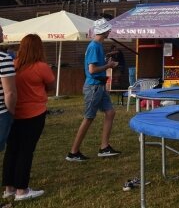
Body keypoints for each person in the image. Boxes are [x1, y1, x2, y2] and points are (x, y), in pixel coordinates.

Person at [2, 34, 55, 201]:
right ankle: (21, 190)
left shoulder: (13, 64)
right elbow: (51, 86)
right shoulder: (41, 66)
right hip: (34, 113)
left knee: (11, 150)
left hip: (13, 112)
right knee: (26, 151)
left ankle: (9, 187)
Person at [66, 18, 120, 162]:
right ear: (104, 31)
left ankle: (104, 147)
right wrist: (109, 66)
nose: (110, 31)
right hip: (94, 86)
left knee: (110, 112)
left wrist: (107, 61)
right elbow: (92, 69)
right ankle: (73, 152)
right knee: (89, 117)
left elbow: (95, 64)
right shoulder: (95, 46)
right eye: (108, 29)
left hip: (99, 86)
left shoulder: (98, 46)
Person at [0, 26, 16, 155]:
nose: (3, 34)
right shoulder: (4, 59)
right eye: (1, 31)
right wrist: (11, 112)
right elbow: (9, 92)